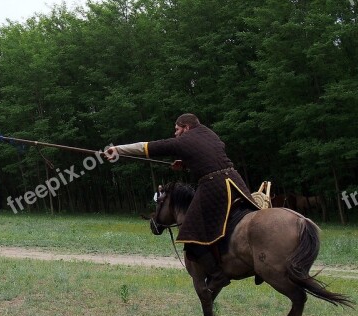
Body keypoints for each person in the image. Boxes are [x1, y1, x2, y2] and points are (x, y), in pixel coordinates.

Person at [106, 113, 256, 282]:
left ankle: (217, 276)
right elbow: (208, 153)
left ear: (186, 127)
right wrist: (185, 162)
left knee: (189, 232)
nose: (175, 133)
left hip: (214, 186)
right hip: (237, 183)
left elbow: (147, 147)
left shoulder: (183, 140)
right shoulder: (209, 133)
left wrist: (117, 149)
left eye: (177, 129)